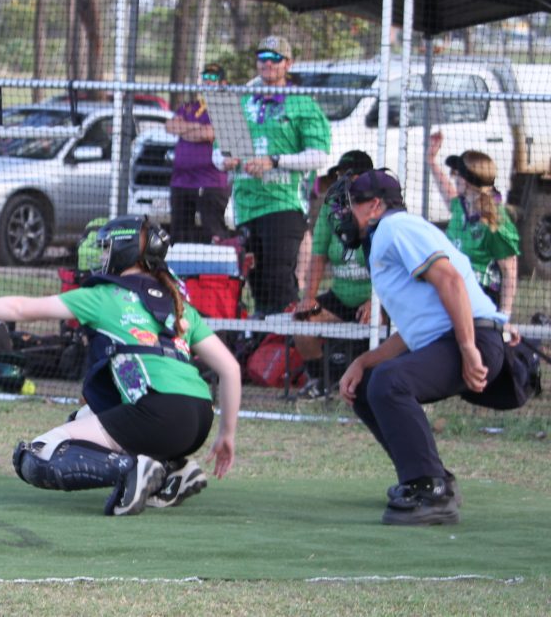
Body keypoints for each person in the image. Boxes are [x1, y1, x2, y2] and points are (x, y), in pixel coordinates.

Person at [0, 215, 241, 516]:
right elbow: (230, 369)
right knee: (85, 415)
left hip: (158, 414)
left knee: (36, 455)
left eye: (107, 248)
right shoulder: (178, 304)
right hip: (199, 419)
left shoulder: (103, 296)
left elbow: (20, 309)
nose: (103, 256)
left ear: (124, 250)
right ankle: (173, 470)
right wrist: (226, 435)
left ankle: (132, 469)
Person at [329, 169, 517, 526]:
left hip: (474, 339)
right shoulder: (388, 234)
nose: (343, 214)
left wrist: (468, 347)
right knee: (370, 382)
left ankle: (431, 490)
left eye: (351, 204)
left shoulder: (396, 227)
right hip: (460, 338)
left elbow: (451, 280)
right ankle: (428, 477)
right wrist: (364, 360)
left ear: (375, 206)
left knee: (390, 381)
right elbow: (419, 329)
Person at [216, 36, 330, 316]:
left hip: (283, 206)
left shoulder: (301, 103)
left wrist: (275, 161)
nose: (267, 63)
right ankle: (261, 345)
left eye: (275, 58)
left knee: (280, 281)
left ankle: (287, 348)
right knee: (256, 282)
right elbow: (217, 156)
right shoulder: (239, 102)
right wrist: (226, 160)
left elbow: (320, 156)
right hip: (246, 207)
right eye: (262, 57)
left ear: (288, 64)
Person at [293, 151, 375, 398]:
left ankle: (373, 382)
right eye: (339, 176)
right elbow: (318, 256)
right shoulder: (332, 207)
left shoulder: (379, 209)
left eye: (348, 176)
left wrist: (376, 301)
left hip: (376, 302)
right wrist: (309, 296)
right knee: (303, 320)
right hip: (340, 298)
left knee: (379, 326)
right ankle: (323, 379)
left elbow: (390, 265)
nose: (342, 181)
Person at [427, 132, 520, 318]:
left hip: (479, 299)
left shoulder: (494, 223)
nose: (454, 178)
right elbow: (448, 192)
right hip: (453, 291)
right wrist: (431, 160)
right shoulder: (462, 206)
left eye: (457, 174)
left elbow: (509, 271)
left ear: (468, 181)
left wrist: (503, 317)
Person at [165, 63, 230, 243]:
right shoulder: (190, 107)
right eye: (205, 79)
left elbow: (210, 133)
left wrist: (186, 129)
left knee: (213, 231)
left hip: (210, 182)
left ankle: (218, 270)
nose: (208, 82)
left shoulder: (225, 108)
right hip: (181, 181)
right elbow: (170, 126)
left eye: (213, 79)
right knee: (179, 234)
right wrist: (197, 128)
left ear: (222, 83)